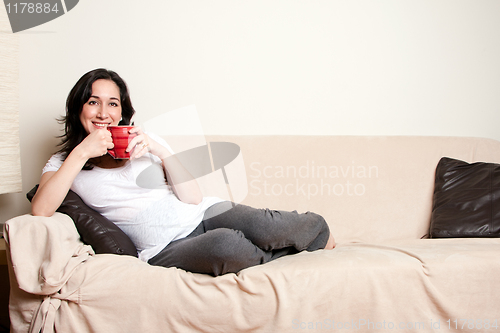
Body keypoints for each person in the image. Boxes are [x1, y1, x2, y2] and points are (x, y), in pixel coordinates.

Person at [31, 68, 336, 276]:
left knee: (268, 225)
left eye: (113, 104)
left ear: (122, 111)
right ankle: (286, 256)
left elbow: (192, 199)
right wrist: (83, 151)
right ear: (78, 108)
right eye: (93, 102)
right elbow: (41, 209)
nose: (103, 113)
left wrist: (159, 151)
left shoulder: (145, 142)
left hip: (202, 212)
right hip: (162, 247)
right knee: (227, 244)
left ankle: (320, 234)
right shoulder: (64, 162)